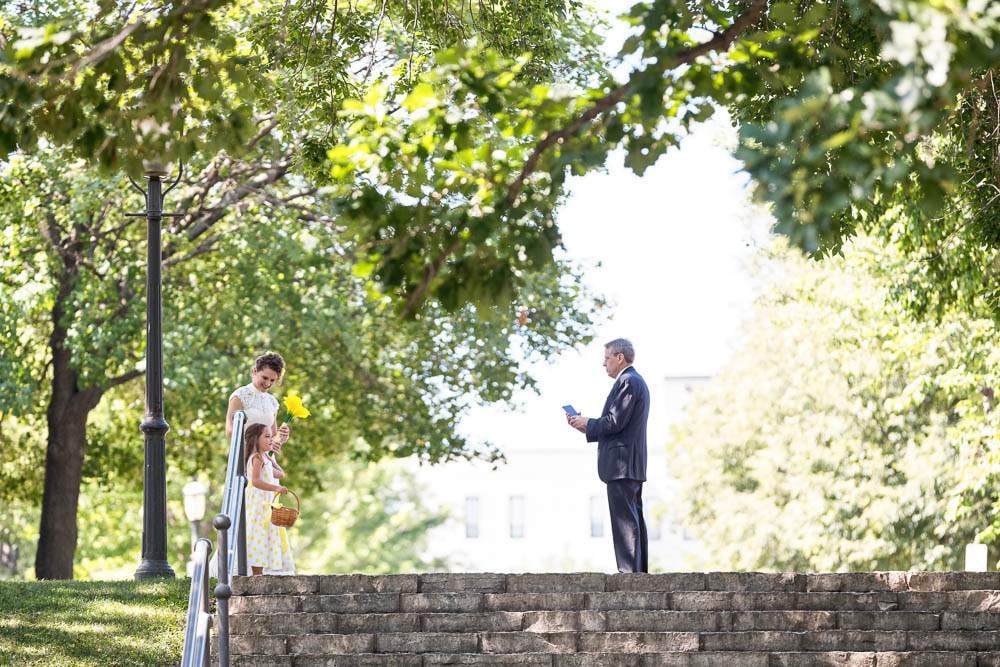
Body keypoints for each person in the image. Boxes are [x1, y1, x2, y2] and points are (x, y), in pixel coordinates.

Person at [567, 338, 650, 573]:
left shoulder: (628, 381)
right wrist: (585, 426)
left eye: (606, 359)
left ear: (619, 357)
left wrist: (588, 423)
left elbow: (615, 421)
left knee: (625, 521)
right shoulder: (632, 381)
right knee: (631, 518)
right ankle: (636, 573)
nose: (604, 364)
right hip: (628, 464)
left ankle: (630, 574)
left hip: (622, 465)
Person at [244, 423, 295, 575]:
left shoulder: (264, 458)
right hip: (258, 504)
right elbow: (255, 481)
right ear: (255, 439)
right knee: (258, 534)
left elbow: (280, 474)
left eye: (271, 436)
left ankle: (262, 571)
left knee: (266, 535)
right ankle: (256, 572)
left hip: (266, 504)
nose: (271, 439)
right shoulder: (257, 458)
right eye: (267, 436)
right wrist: (276, 488)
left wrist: (272, 459)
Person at [226, 351, 290, 453]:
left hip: (265, 460)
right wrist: (256, 447)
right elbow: (230, 431)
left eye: (272, 380)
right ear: (254, 371)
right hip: (245, 456)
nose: (268, 383)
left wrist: (280, 438)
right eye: (265, 377)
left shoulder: (272, 402)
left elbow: (272, 436)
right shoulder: (239, 396)